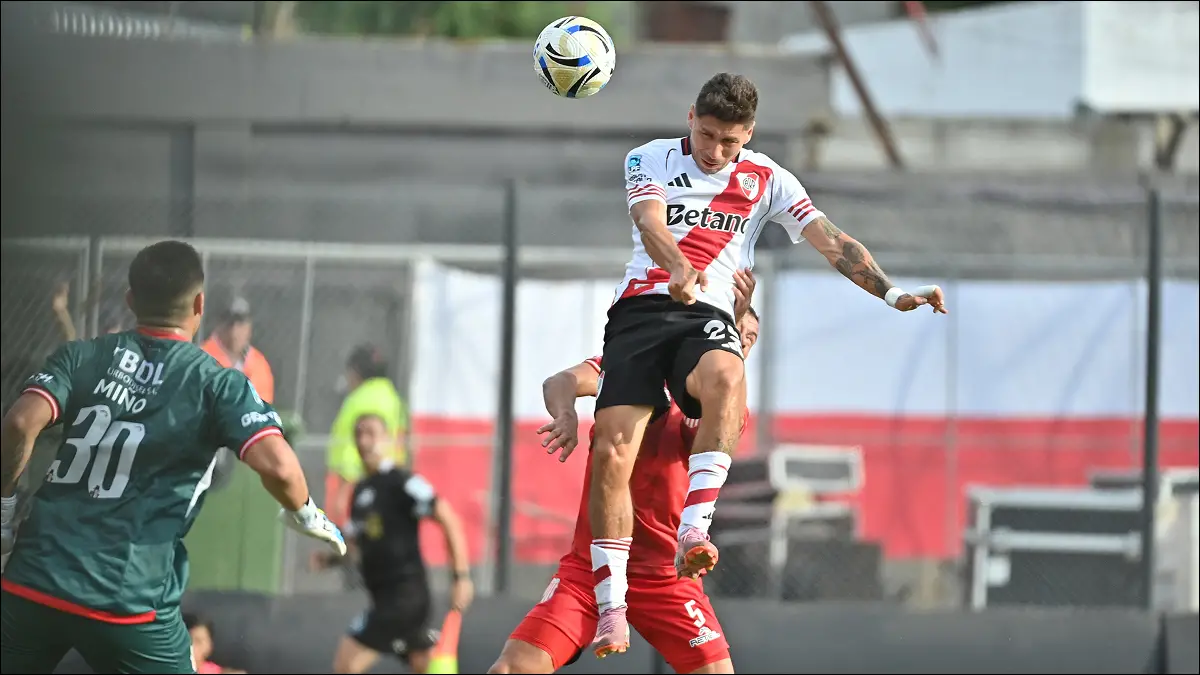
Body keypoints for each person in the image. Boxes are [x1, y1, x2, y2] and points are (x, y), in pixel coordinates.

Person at [588, 71, 950, 655]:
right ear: (690, 118)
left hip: (705, 312)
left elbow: (833, 240)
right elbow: (650, 222)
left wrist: (891, 294)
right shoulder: (649, 158)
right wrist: (678, 265)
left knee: (728, 375)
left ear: (749, 134)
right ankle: (611, 608)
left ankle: (695, 530)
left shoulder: (768, 179)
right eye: (707, 136)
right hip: (641, 309)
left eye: (730, 141)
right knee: (612, 450)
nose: (716, 151)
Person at [0, 240, 346, 674]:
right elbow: (278, 465)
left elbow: (18, 423)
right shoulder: (217, 384)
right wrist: (304, 513)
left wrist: (4, 509)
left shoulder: (82, 356)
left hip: (34, 580)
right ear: (199, 304)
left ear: (130, 300)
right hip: (127, 598)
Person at [488, 294, 760, 675]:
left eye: (749, 338)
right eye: (736, 330)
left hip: (665, 577)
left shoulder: (724, 411)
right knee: (511, 669)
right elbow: (561, 381)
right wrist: (566, 414)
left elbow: (694, 431)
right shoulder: (628, 369)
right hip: (590, 569)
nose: (741, 344)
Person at [310, 413, 473, 674]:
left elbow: (448, 518)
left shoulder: (402, 482)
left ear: (388, 440)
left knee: (346, 665)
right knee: (424, 665)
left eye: (371, 433)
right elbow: (357, 547)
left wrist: (461, 577)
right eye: (359, 434)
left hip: (403, 599)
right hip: (385, 598)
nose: (364, 441)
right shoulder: (361, 490)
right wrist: (330, 559)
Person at [324, 344, 408, 528]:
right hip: (386, 479)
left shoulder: (361, 399)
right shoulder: (392, 396)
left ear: (356, 372)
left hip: (355, 483)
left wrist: (344, 491)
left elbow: (352, 449)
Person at [201, 297, 276, 405]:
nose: (234, 331)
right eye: (230, 323)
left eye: (240, 324)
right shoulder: (202, 357)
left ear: (249, 327)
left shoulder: (259, 364)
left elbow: (265, 410)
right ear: (219, 325)